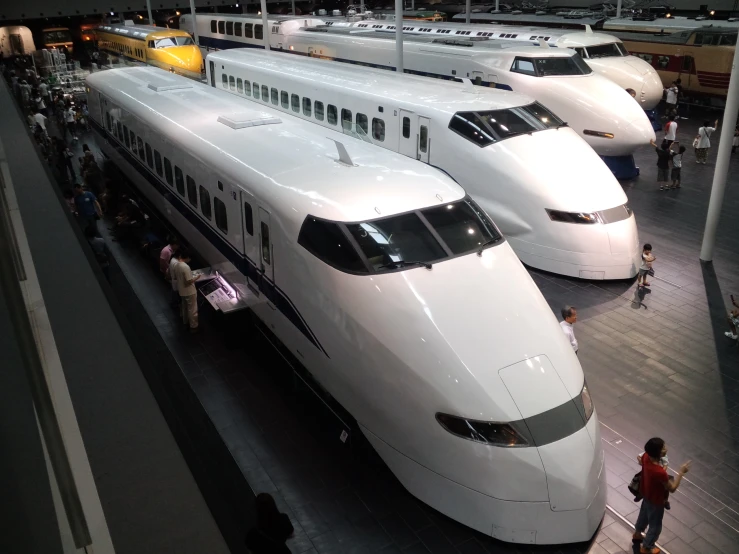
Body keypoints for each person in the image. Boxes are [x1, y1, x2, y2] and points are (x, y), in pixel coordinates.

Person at [632, 438, 691, 554]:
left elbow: (640, 460)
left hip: (646, 493)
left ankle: (637, 533)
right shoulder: (659, 472)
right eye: (663, 448)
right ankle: (647, 547)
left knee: (643, 515)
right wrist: (681, 473)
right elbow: (672, 488)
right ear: (659, 453)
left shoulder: (645, 457)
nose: (666, 449)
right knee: (655, 525)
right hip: (656, 500)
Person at [175, 249, 201, 333]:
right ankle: (193, 325)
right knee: (192, 309)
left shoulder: (177, 264)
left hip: (182, 291)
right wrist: (197, 277)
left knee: (185, 307)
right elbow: (188, 281)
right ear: (188, 258)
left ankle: (185, 321)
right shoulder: (185, 267)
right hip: (190, 291)